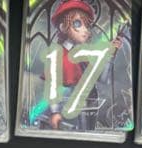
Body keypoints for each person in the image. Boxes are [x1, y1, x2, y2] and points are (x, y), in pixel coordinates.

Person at [43, 0, 123, 131]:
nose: (85, 30)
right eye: (77, 24)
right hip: (71, 110)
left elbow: (102, 79)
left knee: (88, 134)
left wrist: (111, 54)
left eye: (87, 25)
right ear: (63, 27)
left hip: (91, 106)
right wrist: (55, 111)